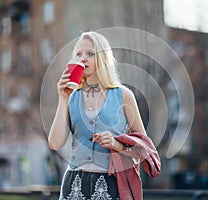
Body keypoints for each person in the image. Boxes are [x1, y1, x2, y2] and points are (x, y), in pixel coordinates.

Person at [48, 31, 160, 200]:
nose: (83, 58)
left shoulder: (124, 95)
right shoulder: (71, 97)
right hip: (74, 184)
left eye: (90, 54)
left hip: (110, 184)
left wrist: (117, 145)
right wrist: (62, 97)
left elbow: (143, 151)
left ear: (103, 58)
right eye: (78, 54)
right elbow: (55, 143)